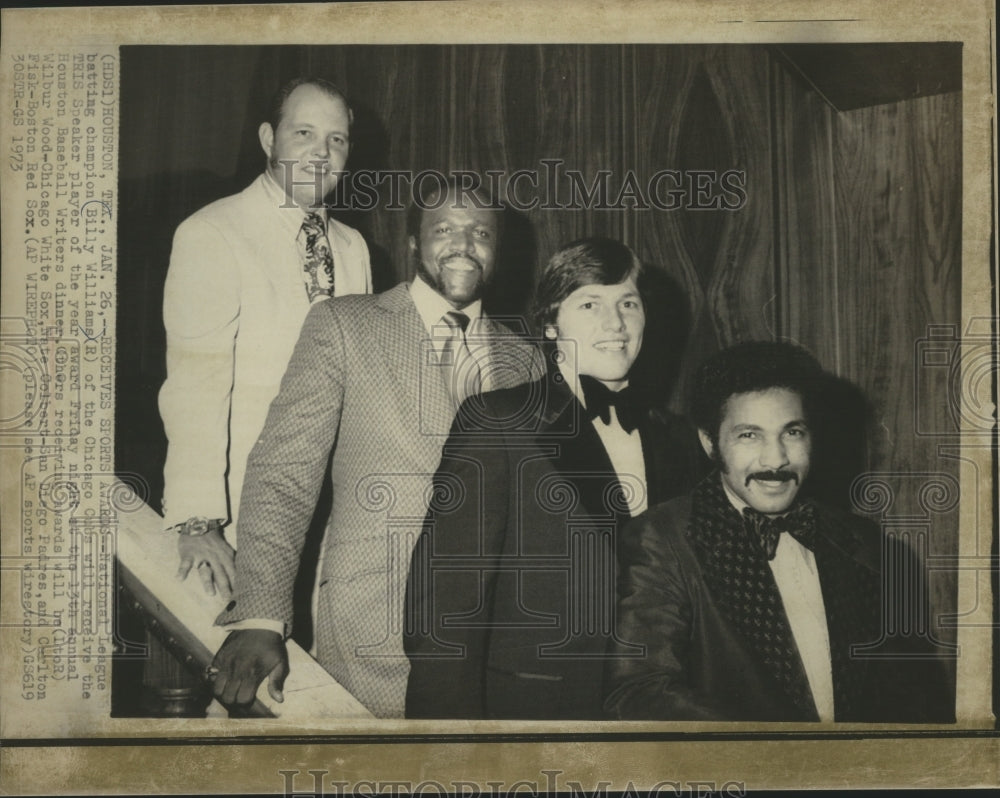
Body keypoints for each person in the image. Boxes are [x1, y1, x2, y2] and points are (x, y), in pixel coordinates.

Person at [208, 178, 544, 718]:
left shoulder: (528, 361)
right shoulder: (344, 325)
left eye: (481, 232)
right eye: (444, 230)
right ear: (414, 242)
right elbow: (284, 471)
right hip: (371, 632)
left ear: (498, 250)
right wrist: (261, 617)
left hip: (491, 643)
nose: (464, 244)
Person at [403, 238, 706, 719]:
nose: (616, 322)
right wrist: (449, 754)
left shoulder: (681, 440)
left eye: (629, 303)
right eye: (590, 304)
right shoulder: (498, 422)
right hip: (533, 717)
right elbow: (445, 611)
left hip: (658, 723)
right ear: (549, 324)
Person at [604, 341, 953, 722]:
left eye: (793, 433)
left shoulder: (862, 542)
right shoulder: (664, 539)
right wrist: (779, 756)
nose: (776, 459)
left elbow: (911, 696)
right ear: (709, 442)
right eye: (749, 435)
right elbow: (639, 691)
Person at [158, 77, 372, 596]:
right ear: (267, 139)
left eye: (336, 139)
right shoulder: (213, 233)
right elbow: (194, 385)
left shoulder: (353, 247)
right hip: (241, 515)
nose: (321, 153)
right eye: (303, 133)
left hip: (335, 513)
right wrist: (199, 521)